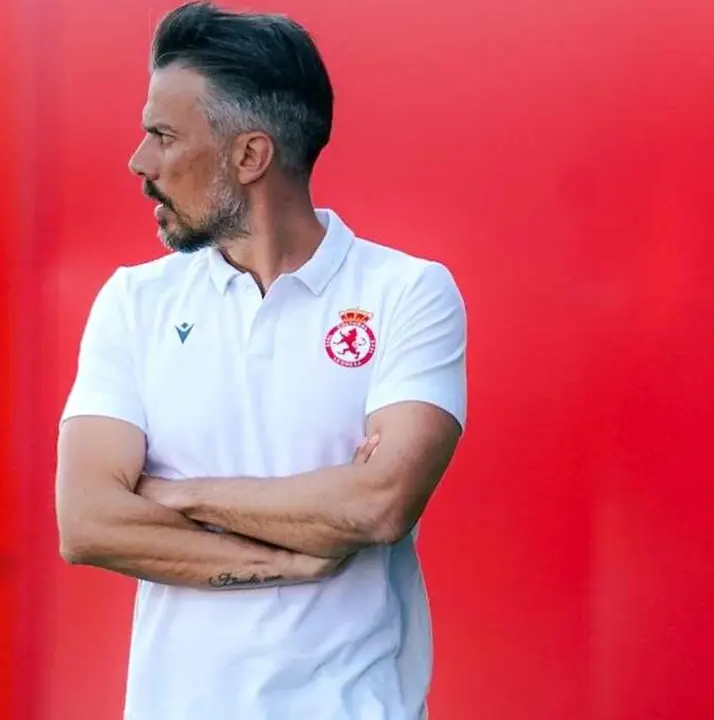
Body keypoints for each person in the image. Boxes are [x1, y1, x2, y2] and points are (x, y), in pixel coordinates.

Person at [54, 2, 467, 718]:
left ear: (249, 156)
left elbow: (378, 504)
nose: (139, 162)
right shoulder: (133, 302)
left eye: (162, 136)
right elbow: (88, 521)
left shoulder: (408, 293)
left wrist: (174, 493)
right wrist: (290, 554)